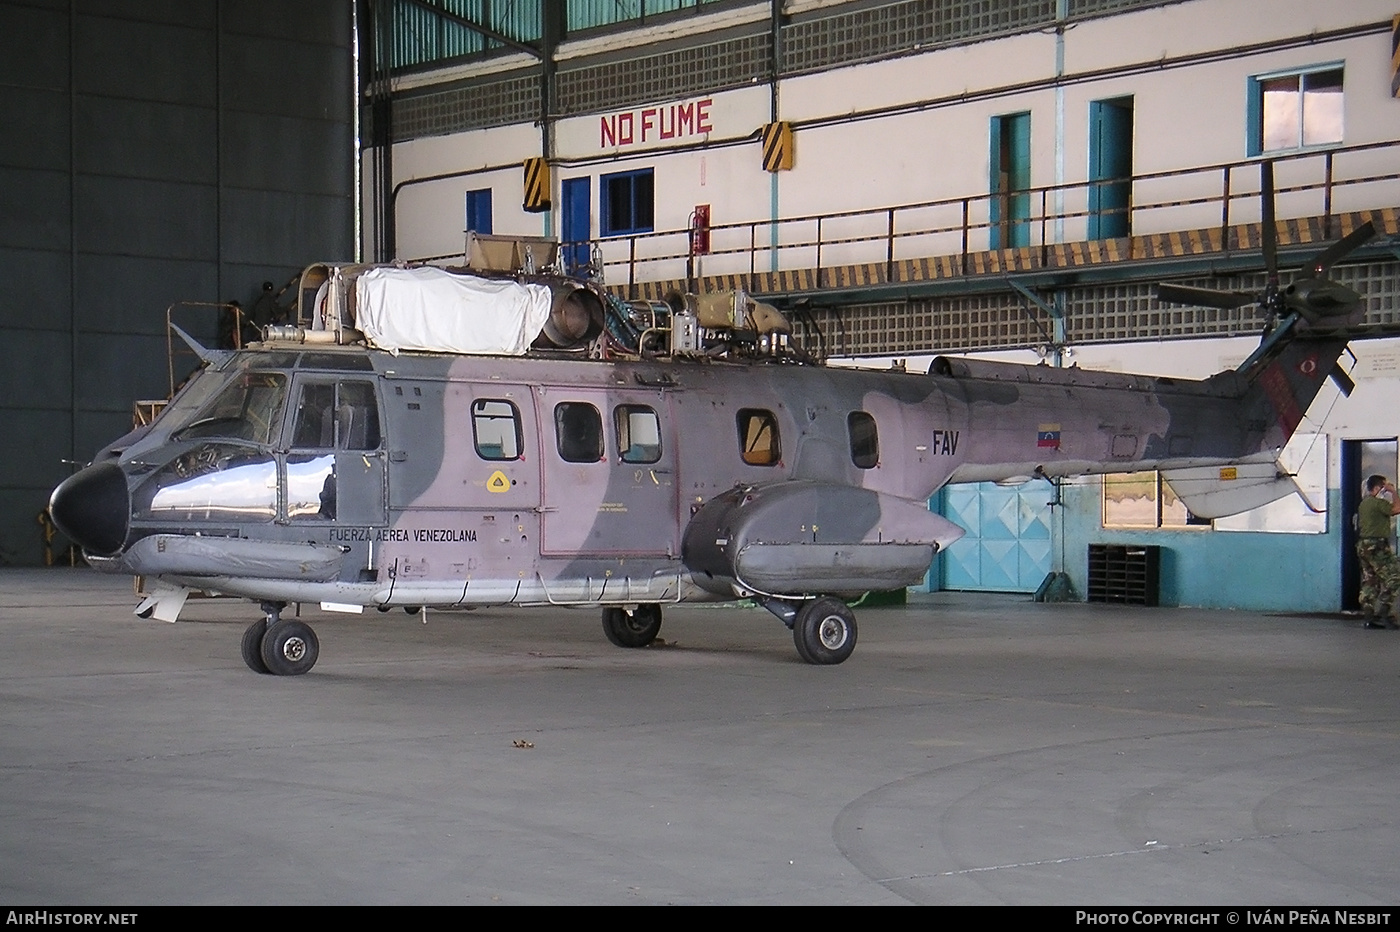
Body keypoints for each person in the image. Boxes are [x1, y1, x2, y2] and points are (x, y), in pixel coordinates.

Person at [1356, 474, 1400, 629]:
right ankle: (1385, 612)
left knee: (1370, 580)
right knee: (1394, 577)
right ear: (1376, 488)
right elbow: (1397, 509)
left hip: (1363, 545)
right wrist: (1394, 492)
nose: (1385, 489)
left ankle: (1368, 616)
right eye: (1383, 486)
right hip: (1377, 546)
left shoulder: (1364, 504)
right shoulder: (1376, 503)